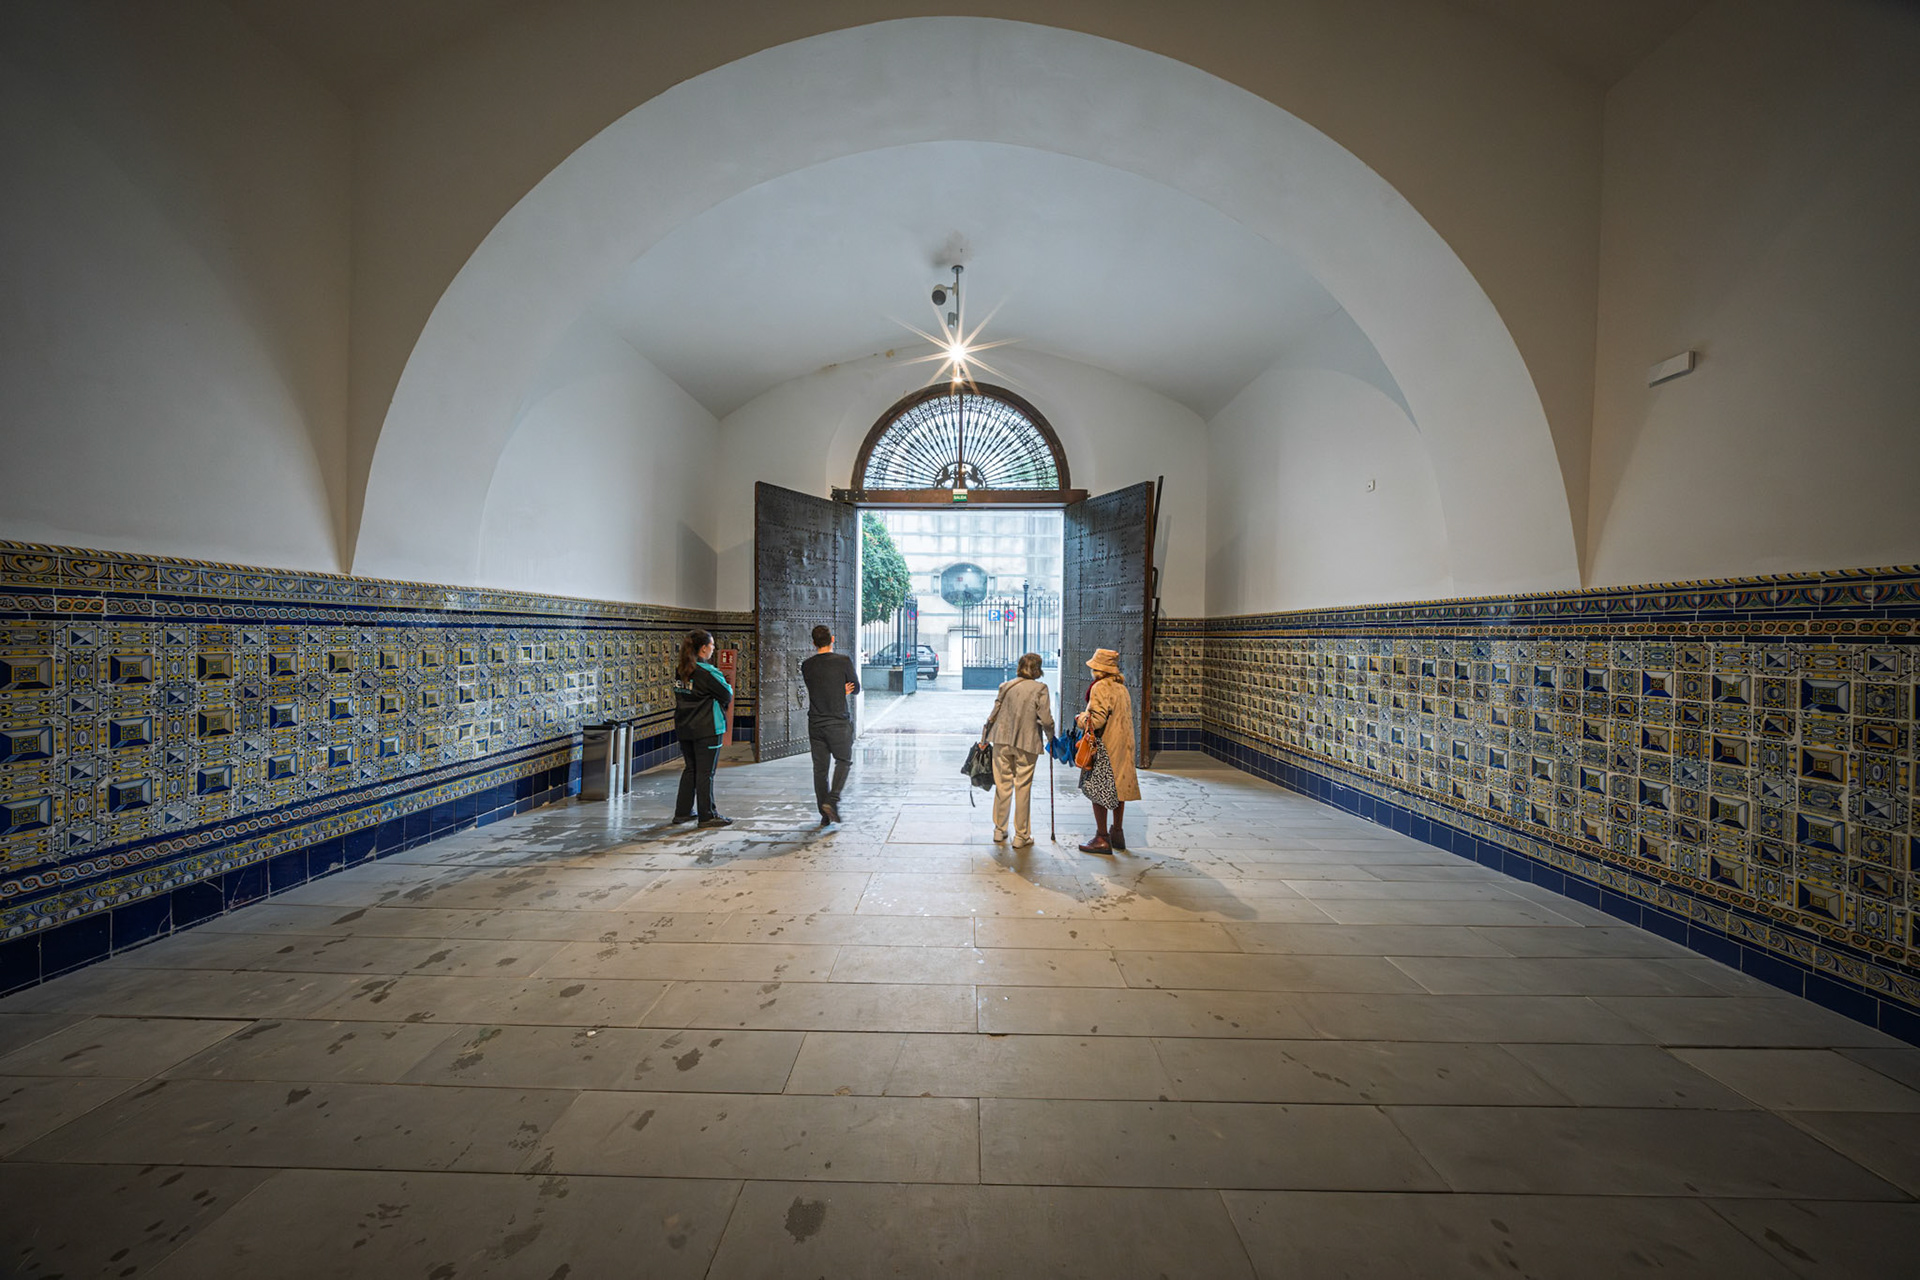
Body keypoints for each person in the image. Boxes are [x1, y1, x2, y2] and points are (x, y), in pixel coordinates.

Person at [980, 652, 1054, 848]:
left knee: (1003, 785)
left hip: (1001, 740)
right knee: (1023, 786)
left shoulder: (1006, 686)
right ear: (1038, 669)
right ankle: (1021, 836)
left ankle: (999, 830)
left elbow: (994, 713)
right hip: (1027, 742)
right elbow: (1045, 719)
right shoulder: (1040, 689)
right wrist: (1051, 737)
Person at [1075, 647, 1140, 854]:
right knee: (1117, 789)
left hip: (1105, 747)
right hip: (1122, 745)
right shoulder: (1121, 687)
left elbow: (1097, 720)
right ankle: (1117, 832)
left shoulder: (1100, 687)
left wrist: (1080, 719)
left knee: (1098, 790)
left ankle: (1102, 837)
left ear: (1097, 669)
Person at [671, 629, 732, 828]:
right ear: (704, 648)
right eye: (712, 646)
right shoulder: (708, 672)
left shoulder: (681, 669)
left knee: (691, 769)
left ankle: (682, 812)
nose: (713, 650)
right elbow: (727, 694)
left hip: (684, 726)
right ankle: (707, 815)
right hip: (707, 728)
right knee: (706, 772)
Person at [800, 623, 860, 824]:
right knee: (843, 760)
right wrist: (840, 690)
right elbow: (857, 688)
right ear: (832, 639)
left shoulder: (807, 665)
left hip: (815, 723)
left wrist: (834, 689)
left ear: (813, 643)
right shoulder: (843, 661)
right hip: (837, 721)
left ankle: (824, 816)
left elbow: (817, 688)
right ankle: (832, 800)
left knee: (820, 769)